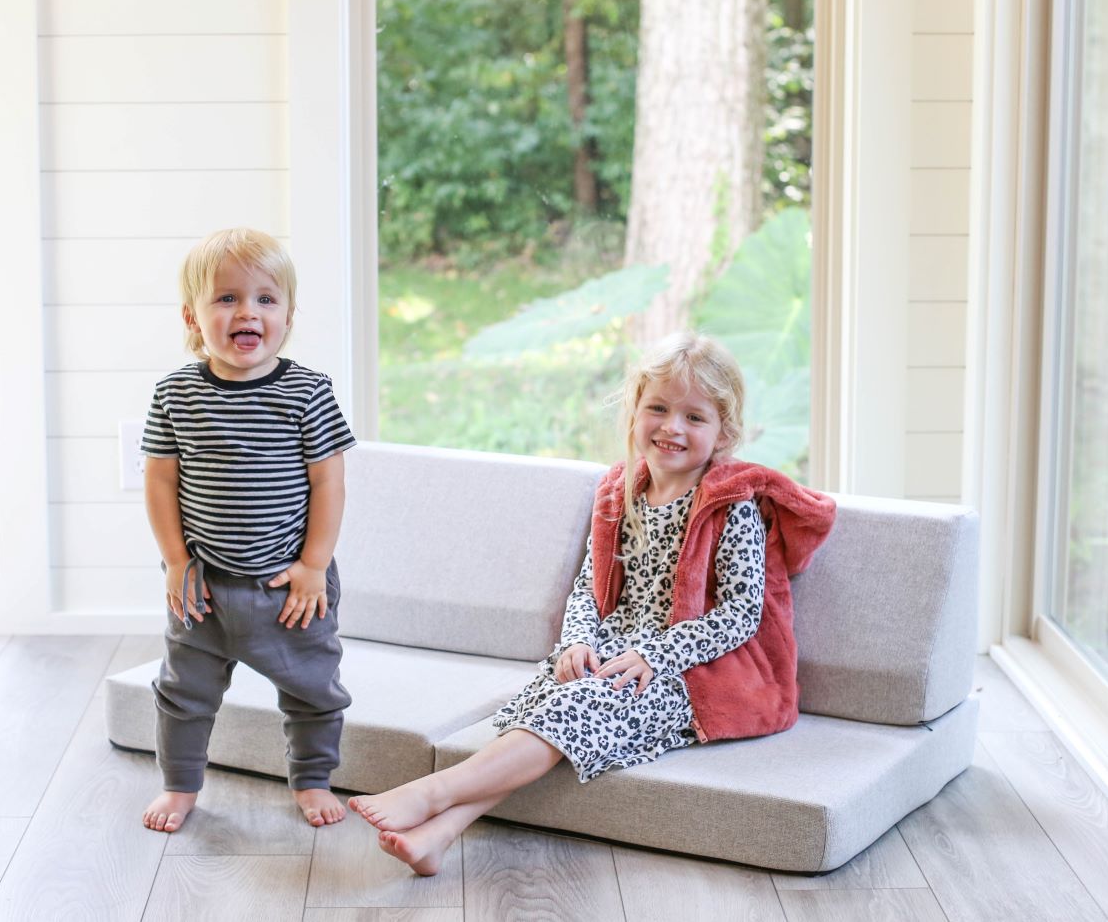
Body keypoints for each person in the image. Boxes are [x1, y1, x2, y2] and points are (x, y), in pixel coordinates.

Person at [348, 332, 836, 874]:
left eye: (694, 417)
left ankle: (428, 796)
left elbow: (742, 613)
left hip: (690, 673)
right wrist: (578, 639)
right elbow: (589, 587)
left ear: (725, 432)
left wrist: (658, 655)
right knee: (547, 706)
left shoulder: (731, 505)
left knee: (572, 712)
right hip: (613, 651)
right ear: (635, 413)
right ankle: (440, 835)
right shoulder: (621, 491)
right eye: (658, 408)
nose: (672, 427)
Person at [138, 227, 357, 833]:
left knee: (314, 689)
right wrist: (176, 561)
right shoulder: (176, 394)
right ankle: (180, 785)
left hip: (289, 585)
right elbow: (160, 482)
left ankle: (311, 777)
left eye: (265, 299)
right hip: (202, 584)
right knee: (183, 693)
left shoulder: (307, 391)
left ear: (287, 316)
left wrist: (314, 565)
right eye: (226, 298)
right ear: (192, 316)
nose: (247, 312)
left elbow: (328, 484)